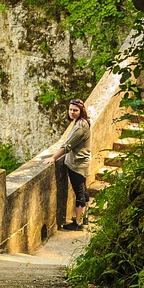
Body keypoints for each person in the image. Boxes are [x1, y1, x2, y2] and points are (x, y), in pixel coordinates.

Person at [52, 98, 91, 230]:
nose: (72, 112)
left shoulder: (80, 127)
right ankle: (83, 218)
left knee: (79, 192)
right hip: (81, 162)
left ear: (81, 111)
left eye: (75, 110)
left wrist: (53, 158)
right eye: (70, 110)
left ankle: (78, 223)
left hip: (77, 164)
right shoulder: (81, 122)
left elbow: (67, 146)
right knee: (83, 190)